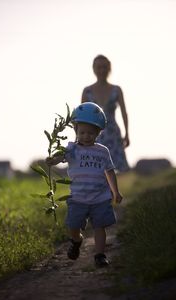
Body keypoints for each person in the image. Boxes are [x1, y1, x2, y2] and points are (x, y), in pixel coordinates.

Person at [46, 102, 123, 267]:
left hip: (100, 198)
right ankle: (76, 240)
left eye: (91, 133)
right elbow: (60, 157)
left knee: (100, 227)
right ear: (75, 130)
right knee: (73, 225)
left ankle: (100, 255)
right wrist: (53, 160)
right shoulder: (72, 149)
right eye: (82, 132)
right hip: (78, 198)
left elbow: (109, 171)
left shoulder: (102, 151)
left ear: (98, 133)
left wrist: (115, 192)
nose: (86, 136)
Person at [81, 54, 130, 172]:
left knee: (117, 168)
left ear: (109, 69)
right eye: (99, 67)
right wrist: (80, 136)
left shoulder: (116, 89)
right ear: (94, 69)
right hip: (94, 134)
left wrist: (127, 134)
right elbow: (81, 116)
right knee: (96, 168)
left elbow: (124, 112)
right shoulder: (87, 91)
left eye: (104, 67)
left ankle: (117, 191)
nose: (102, 70)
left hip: (113, 134)